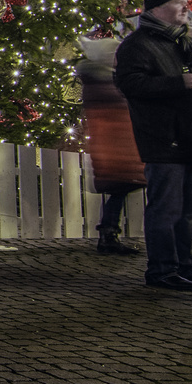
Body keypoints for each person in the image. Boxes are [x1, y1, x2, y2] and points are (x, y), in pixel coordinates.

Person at [114, 0, 192, 291]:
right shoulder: (137, 46)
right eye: (178, 2)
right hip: (163, 138)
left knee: (188, 209)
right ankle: (161, 270)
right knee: (167, 207)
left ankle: (185, 266)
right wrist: (180, 83)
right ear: (157, 8)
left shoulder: (184, 42)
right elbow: (131, 85)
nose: (187, 7)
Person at [77, 32, 143, 255]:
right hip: (116, 150)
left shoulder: (102, 81)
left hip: (117, 149)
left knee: (120, 193)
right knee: (121, 191)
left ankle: (109, 232)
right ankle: (108, 234)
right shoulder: (106, 83)